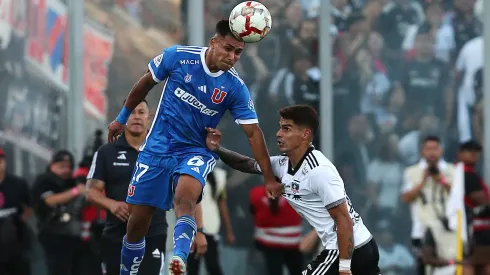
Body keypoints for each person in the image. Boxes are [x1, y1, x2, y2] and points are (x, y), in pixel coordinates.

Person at [106, 19, 282, 275]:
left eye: (238, 52)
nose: (232, 57)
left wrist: (268, 177)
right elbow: (145, 83)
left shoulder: (235, 88)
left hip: (195, 150)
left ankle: (177, 259)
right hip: (157, 147)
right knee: (137, 222)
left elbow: (253, 133)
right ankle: (127, 271)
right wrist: (121, 118)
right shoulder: (178, 57)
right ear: (213, 42)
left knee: (186, 199)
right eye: (228, 48)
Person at [206, 105, 380, 275]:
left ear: (305, 134)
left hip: (349, 250)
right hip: (359, 247)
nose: (279, 134)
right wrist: (217, 149)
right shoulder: (283, 164)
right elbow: (247, 164)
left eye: (287, 129)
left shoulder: (319, 171)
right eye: (280, 128)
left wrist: (344, 267)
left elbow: (344, 220)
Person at [87, 100, 169, 275]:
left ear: (149, 117)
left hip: (152, 235)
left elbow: (181, 192)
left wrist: (196, 229)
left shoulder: (163, 151)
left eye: (141, 112)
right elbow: (91, 192)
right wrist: (112, 205)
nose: (137, 117)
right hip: (116, 235)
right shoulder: (106, 152)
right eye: (132, 112)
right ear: (123, 118)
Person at [0, 148, 32, 275]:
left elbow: (29, 205)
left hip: (15, 237)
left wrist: (21, 220)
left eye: (1, 159)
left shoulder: (17, 183)